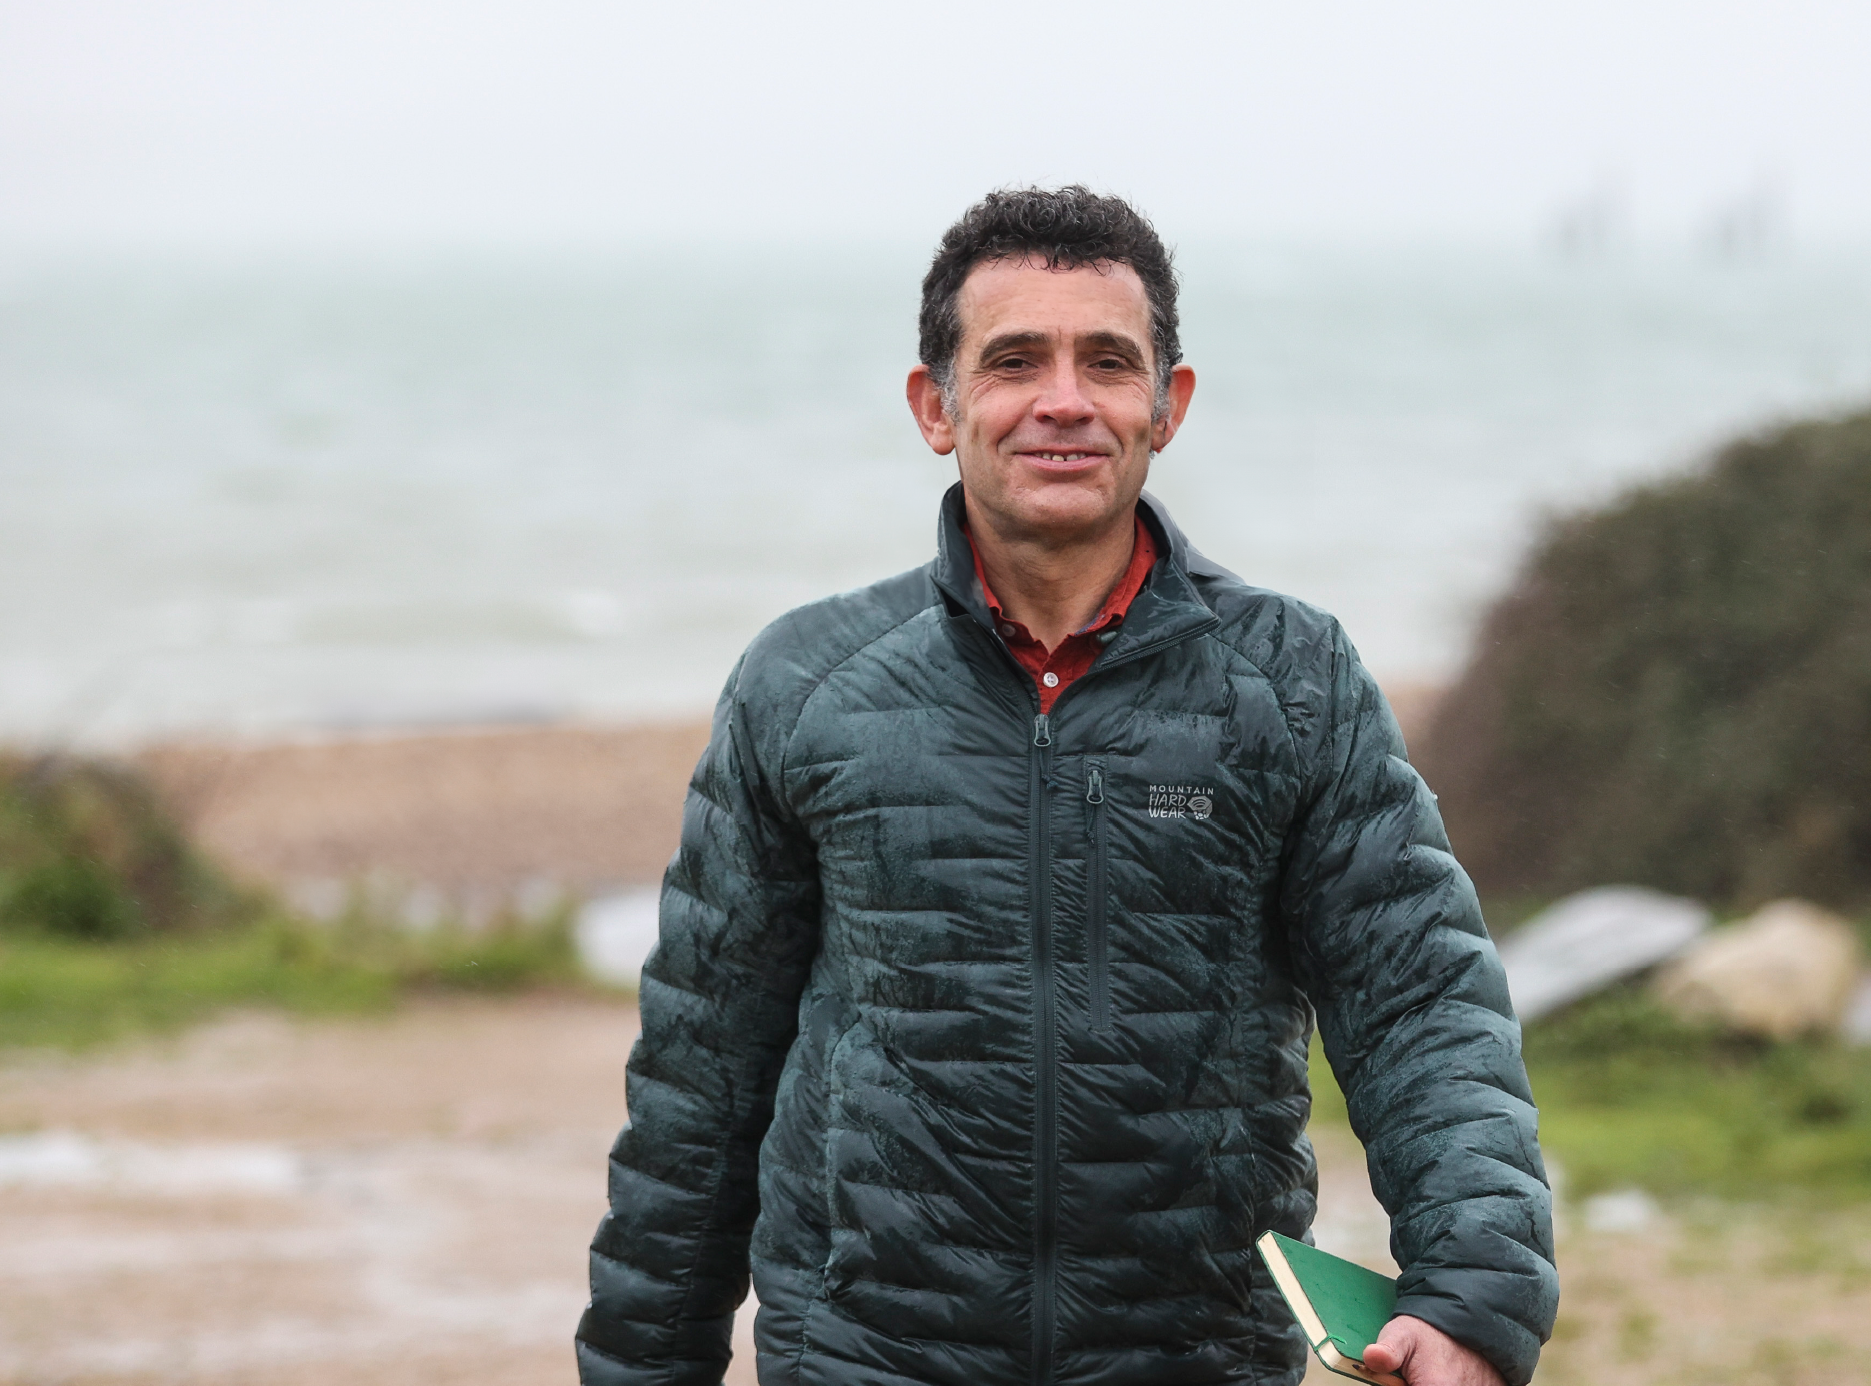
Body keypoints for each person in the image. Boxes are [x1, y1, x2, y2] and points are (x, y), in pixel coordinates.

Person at [577, 186, 1556, 1386]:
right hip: (869, 1355)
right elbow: (702, 1077)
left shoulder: (1293, 681)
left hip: (1193, 1357)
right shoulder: (806, 683)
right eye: (1014, 361)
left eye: (1107, 361)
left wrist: (1474, 1292)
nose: (1064, 400)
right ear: (935, 406)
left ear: (1167, 405)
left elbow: (1421, 1005)